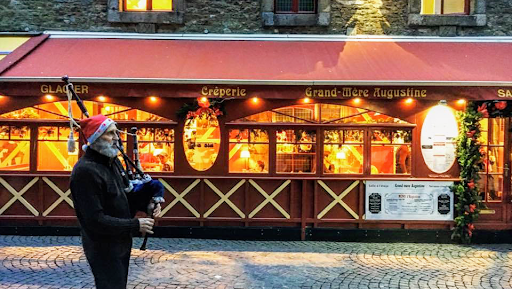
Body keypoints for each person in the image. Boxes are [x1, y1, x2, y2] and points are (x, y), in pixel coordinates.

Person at [70, 115, 164, 289]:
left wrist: (147, 205)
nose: (116, 138)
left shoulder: (112, 163)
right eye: (110, 134)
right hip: (102, 246)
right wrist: (136, 225)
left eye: (116, 133)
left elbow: (125, 198)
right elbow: (94, 220)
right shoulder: (85, 171)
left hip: (120, 241)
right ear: (96, 137)